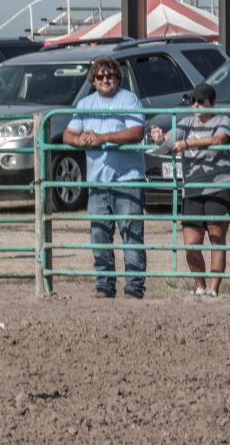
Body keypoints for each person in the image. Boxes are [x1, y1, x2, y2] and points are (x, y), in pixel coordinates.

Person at [62, 56, 146, 299]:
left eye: (110, 75)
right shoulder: (85, 104)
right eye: (100, 76)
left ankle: (134, 289)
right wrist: (80, 140)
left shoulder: (129, 99)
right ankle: (104, 285)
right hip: (97, 180)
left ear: (118, 78)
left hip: (128, 179)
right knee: (99, 235)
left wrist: (103, 138)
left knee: (131, 235)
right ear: (93, 80)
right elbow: (68, 134)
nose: (105, 79)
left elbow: (136, 132)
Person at [150, 82, 230, 298]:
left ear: (212, 103)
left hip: (218, 187)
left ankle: (213, 289)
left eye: (201, 101)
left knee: (217, 238)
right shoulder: (185, 123)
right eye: (193, 101)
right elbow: (169, 141)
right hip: (192, 190)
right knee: (191, 244)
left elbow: (218, 139)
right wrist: (160, 138)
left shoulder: (223, 120)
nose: (195, 105)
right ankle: (200, 287)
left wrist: (186, 144)